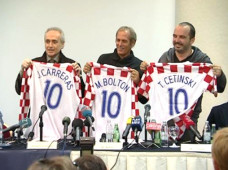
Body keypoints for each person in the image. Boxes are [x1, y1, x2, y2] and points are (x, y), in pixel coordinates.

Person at [140, 22, 226, 143]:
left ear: (192, 40)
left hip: (189, 122)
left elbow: (220, 87)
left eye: (182, 37)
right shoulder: (165, 58)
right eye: (175, 36)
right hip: (165, 120)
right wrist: (145, 71)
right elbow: (149, 91)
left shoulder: (201, 60)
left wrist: (220, 75)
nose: (177, 40)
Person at [83, 26, 147, 104]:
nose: (120, 44)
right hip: (102, 110)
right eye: (118, 40)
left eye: (124, 41)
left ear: (133, 43)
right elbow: (94, 88)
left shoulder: (139, 65)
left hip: (126, 113)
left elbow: (144, 100)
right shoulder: (103, 59)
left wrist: (138, 82)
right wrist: (89, 72)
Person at [15, 27, 85, 96]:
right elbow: (19, 91)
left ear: (63, 44)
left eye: (54, 42)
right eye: (47, 41)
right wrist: (22, 71)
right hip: (39, 107)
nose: (50, 45)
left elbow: (81, 94)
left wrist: (79, 77)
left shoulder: (71, 65)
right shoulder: (33, 64)